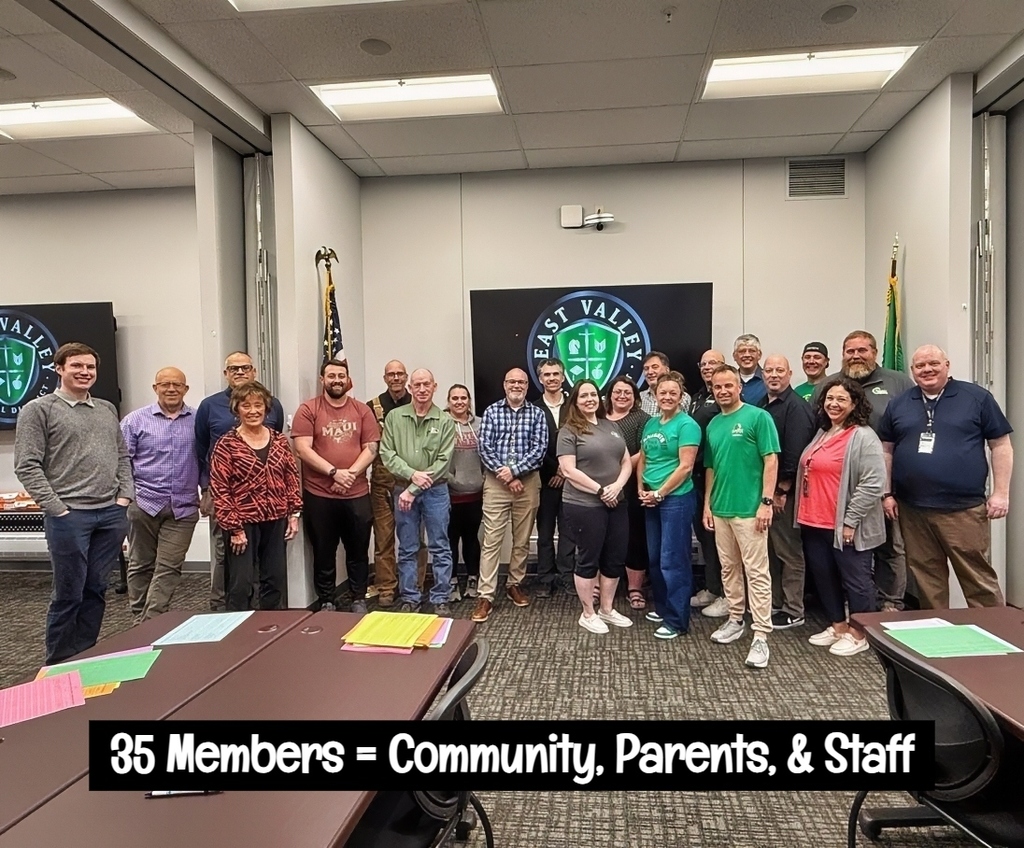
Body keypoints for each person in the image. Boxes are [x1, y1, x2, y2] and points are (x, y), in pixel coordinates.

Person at [14, 342, 133, 664]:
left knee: (96, 589)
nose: (84, 372)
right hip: (70, 517)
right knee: (68, 594)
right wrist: (57, 508)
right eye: (76, 366)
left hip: (110, 513)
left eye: (90, 367)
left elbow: (122, 455)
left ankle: (84, 657)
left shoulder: (106, 409)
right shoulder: (39, 410)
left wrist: (125, 497)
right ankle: (57, 664)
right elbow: (27, 464)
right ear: (59, 369)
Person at [879, 345, 1013, 609]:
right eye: (920, 366)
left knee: (977, 576)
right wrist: (887, 493)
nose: (927, 370)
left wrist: (1001, 493)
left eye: (933, 364)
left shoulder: (976, 398)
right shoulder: (900, 403)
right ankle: (938, 631)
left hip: (962, 509)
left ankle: (996, 636)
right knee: (926, 577)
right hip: (912, 509)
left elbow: (1001, 445)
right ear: (912, 371)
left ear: (947, 365)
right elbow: (886, 450)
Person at [819, 330, 913, 611]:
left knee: (889, 545)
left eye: (863, 350)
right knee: (847, 546)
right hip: (839, 483)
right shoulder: (830, 384)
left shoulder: (898, 383)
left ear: (875, 352)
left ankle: (891, 601)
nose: (856, 356)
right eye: (850, 351)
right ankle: (857, 600)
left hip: (885, 482)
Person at [795, 377, 885, 656]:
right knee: (824, 576)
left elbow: (873, 483)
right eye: (829, 399)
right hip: (814, 519)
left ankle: (860, 632)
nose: (833, 404)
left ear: (855, 403)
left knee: (856, 580)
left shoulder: (863, 436)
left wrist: (850, 521)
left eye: (841, 399)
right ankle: (838, 626)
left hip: (845, 524)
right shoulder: (824, 432)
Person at [703, 364, 780, 669]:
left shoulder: (758, 417)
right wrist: (707, 504)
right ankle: (736, 619)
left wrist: (766, 502)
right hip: (721, 509)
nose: (723, 391)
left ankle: (761, 635)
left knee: (757, 572)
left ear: (740, 387)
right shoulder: (713, 425)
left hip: (750, 510)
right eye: (717, 387)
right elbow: (710, 468)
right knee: (729, 569)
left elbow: (771, 460)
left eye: (728, 386)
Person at [195, 352, 285, 611]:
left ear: (254, 371)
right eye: (233, 368)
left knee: (270, 569)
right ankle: (223, 611)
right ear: (226, 374)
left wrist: (292, 511)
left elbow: (284, 464)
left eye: (245, 367)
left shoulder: (274, 410)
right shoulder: (209, 407)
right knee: (230, 562)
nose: (240, 372)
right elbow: (201, 449)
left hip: (271, 507)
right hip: (230, 501)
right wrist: (205, 488)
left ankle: (264, 619)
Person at [292, 359, 380, 613]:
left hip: (357, 493)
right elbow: (302, 449)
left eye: (341, 375)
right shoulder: (308, 410)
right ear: (323, 380)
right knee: (323, 550)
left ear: (348, 379)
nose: (337, 380)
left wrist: (349, 475)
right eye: (331, 376)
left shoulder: (362, 410)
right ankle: (327, 599)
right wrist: (333, 472)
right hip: (319, 494)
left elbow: (371, 448)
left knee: (358, 549)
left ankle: (358, 597)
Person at [209, 381, 301, 611]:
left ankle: (271, 630)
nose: (253, 411)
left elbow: (290, 476)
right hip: (242, 523)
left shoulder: (279, 440)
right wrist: (234, 528)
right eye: (246, 406)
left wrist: (294, 514)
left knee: (275, 580)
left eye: (258, 405)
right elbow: (220, 489)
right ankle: (238, 636)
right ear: (236, 410)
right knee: (241, 584)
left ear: (266, 408)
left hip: (276, 518)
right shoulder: (226, 445)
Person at [120, 367, 200, 623]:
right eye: (164, 384)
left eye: (177, 384)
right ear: (155, 388)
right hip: (143, 503)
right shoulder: (135, 421)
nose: (171, 389)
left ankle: (151, 621)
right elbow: (121, 462)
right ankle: (139, 617)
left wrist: (208, 491)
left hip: (184, 507)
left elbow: (208, 460)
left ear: (186, 389)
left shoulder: (199, 420)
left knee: (169, 566)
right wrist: (126, 497)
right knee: (141, 564)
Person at [471, 368, 548, 623]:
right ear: (504, 385)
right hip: (496, 484)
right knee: (491, 540)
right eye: (512, 381)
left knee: (522, 539)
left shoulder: (537, 414)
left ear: (528, 386)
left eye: (521, 382)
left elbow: (539, 449)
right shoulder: (492, 412)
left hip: (527, 483)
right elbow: (485, 447)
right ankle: (486, 595)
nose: (517, 385)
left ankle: (515, 583)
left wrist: (514, 472)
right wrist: (505, 476)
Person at [558, 379, 634, 633]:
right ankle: (588, 613)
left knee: (614, 557)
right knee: (589, 558)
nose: (590, 399)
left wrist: (617, 487)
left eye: (593, 394)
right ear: (575, 402)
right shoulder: (569, 430)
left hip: (616, 501)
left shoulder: (610, 426)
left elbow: (626, 461)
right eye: (583, 396)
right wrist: (601, 490)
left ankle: (607, 609)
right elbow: (568, 470)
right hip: (584, 504)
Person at [379, 369, 456, 614]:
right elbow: (387, 454)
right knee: (408, 546)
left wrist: (413, 488)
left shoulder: (445, 421)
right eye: (417, 385)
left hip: (436, 491)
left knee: (440, 545)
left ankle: (440, 596)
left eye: (427, 384)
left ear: (435, 387)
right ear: (410, 388)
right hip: (402, 489)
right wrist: (412, 477)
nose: (422, 389)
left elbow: (443, 461)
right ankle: (410, 597)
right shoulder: (394, 417)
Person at [637, 372, 702, 640]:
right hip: (651, 497)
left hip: (675, 499)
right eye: (662, 392)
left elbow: (686, 466)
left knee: (673, 560)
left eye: (672, 393)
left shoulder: (687, 425)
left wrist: (661, 493)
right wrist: (641, 489)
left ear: (680, 396)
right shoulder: (651, 424)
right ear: (655, 395)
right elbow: (643, 458)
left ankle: (677, 620)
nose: (667, 397)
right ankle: (664, 609)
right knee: (654, 558)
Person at [759, 355, 816, 629]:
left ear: (790, 374)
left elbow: (796, 454)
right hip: (764, 491)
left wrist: (781, 491)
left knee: (788, 551)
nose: (773, 375)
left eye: (779, 370)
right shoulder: (762, 405)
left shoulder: (796, 408)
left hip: (784, 493)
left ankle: (794, 609)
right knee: (770, 549)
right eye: (769, 370)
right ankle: (776, 602)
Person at [367, 360, 427, 606]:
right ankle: (386, 588)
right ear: (385, 378)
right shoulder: (372, 407)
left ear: (406, 378)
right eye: (391, 374)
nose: (396, 378)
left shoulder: (418, 405)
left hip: (412, 480)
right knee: (384, 539)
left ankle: (414, 585)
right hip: (383, 482)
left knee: (414, 538)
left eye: (400, 374)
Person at [605, 375, 650, 610]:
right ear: (610, 395)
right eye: (618, 392)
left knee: (635, 538)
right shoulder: (598, 418)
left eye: (628, 393)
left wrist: (619, 473)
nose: (622, 396)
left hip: (632, 486)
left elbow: (644, 451)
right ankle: (600, 586)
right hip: (599, 487)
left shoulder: (642, 419)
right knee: (603, 537)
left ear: (635, 398)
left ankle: (635, 588)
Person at [689, 350, 727, 617]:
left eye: (713, 363)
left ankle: (728, 594)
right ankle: (713, 587)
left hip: (718, 477)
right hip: (698, 477)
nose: (707, 368)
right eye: (704, 364)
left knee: (722, 539)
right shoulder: (699, 397)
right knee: (707, 537)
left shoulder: (726, 400)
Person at [533, 358, 572, 597]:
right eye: (547, 375)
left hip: (572, 480)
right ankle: (546, 578)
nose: (552, 378)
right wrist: (555, 470)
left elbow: (582, 438)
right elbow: (534, 445)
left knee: (569, 533)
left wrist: (565, 472)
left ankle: (567, 576)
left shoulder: (574, 406)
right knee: (545, 532)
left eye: (556, 374)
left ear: (563, 376)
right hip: (545, 480)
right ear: (540, 379)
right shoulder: (534, 408)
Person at [446, 384, 484, 601]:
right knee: (450, 539)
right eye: (455, 398)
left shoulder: (480, 424)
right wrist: (452, 480)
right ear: (448, 401)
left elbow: (487, 454)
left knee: (471, 538)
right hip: (450, 493)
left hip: (475, 492)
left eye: (463, 398)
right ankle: (451, 581)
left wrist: (483, 479)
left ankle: (472, 578)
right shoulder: (442, 424)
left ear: (469, 400)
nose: (459, 402)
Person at [640, 351, 690, 415]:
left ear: (667, 370)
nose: (650, 372)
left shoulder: (683, 397)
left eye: (655, 367)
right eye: (646, 369)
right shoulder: (640, 397)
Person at [733, 334, 767, 405]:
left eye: (752, 351)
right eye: (742, 351)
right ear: (735, 356)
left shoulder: (768, 380)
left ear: (759, 355)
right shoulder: (730, 381)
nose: (747, 355)